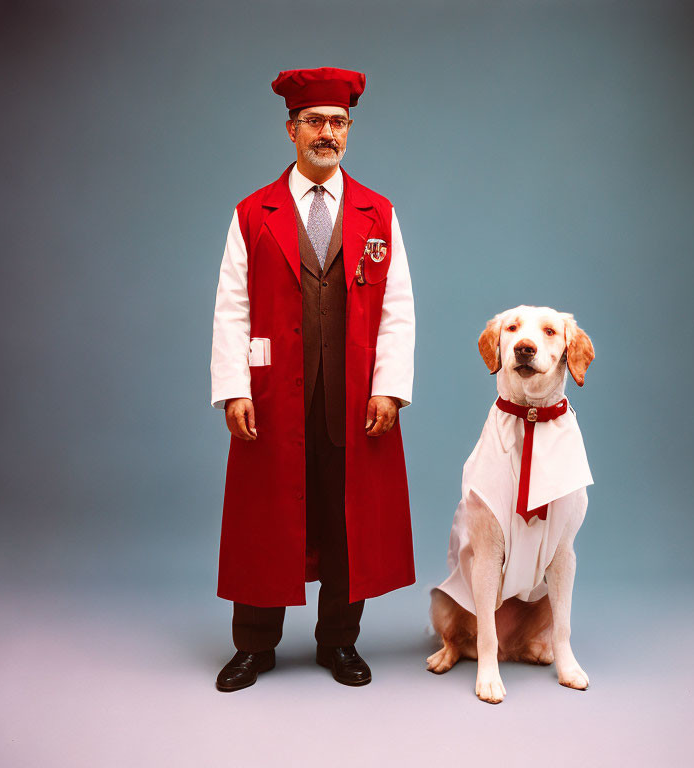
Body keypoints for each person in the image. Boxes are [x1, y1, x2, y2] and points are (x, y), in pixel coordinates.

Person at [210, 67, 416, 691]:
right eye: (315, 122)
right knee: (265, 518)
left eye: (339, 122)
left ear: (348, 130)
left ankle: (339, 643)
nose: (328, 133)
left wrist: (389, 386)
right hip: (274, 399)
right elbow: (231, 306)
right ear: (291, 131)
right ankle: (254, 647)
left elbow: (398, 307)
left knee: (345, 518)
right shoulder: (254, 213)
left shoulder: (377, 213)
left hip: (352, 399)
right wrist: (235, 388)